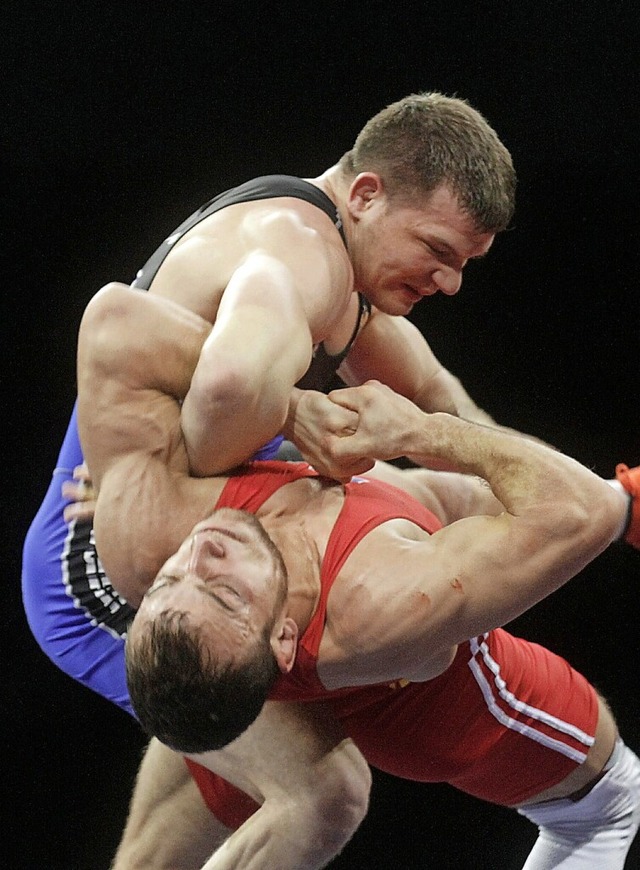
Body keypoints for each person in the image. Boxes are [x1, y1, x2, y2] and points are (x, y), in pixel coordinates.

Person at [78, 283, 640, 869]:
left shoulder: (158, 536)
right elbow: (582, 513)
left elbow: (114, 320)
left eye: (170, 582)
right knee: (328, 798)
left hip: (247, 661)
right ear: (283, 638)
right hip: (530, 754)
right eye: (223, 592)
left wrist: (289, 410)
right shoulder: (378, 600)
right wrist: (418, 432)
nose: (201, 553)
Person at [23, 90, 522, 722]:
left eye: (465, 264)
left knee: (457, 499)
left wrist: (580, 492)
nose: (450, 283)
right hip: (98, 557)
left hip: (195, 535)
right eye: (438, 251)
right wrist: (288, 416)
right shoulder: (302, 254)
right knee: (321, 789)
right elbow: (212, 419)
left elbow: (446, 409)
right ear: (366, 195)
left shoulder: (345, 267)